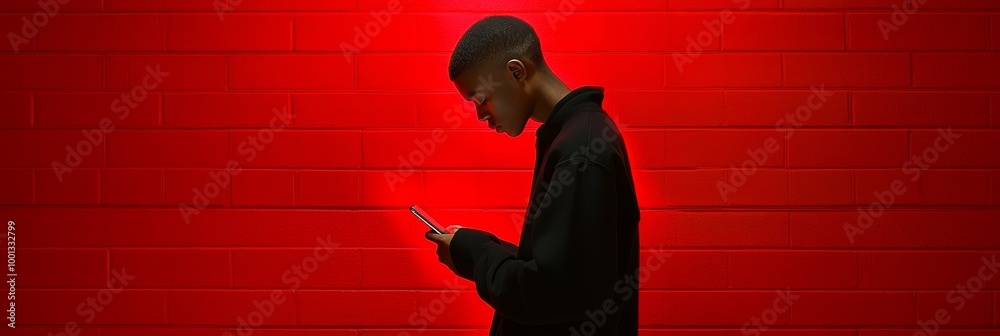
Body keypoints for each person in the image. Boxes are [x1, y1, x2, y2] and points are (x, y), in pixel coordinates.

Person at [424, 15, 641, 336]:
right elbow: (568, 267)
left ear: (516, 71)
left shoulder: (581, 149)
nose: (480, 114)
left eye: (481, 99)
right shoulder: (574, 136)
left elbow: (550, 294)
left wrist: (478, 255)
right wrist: (479, 245)